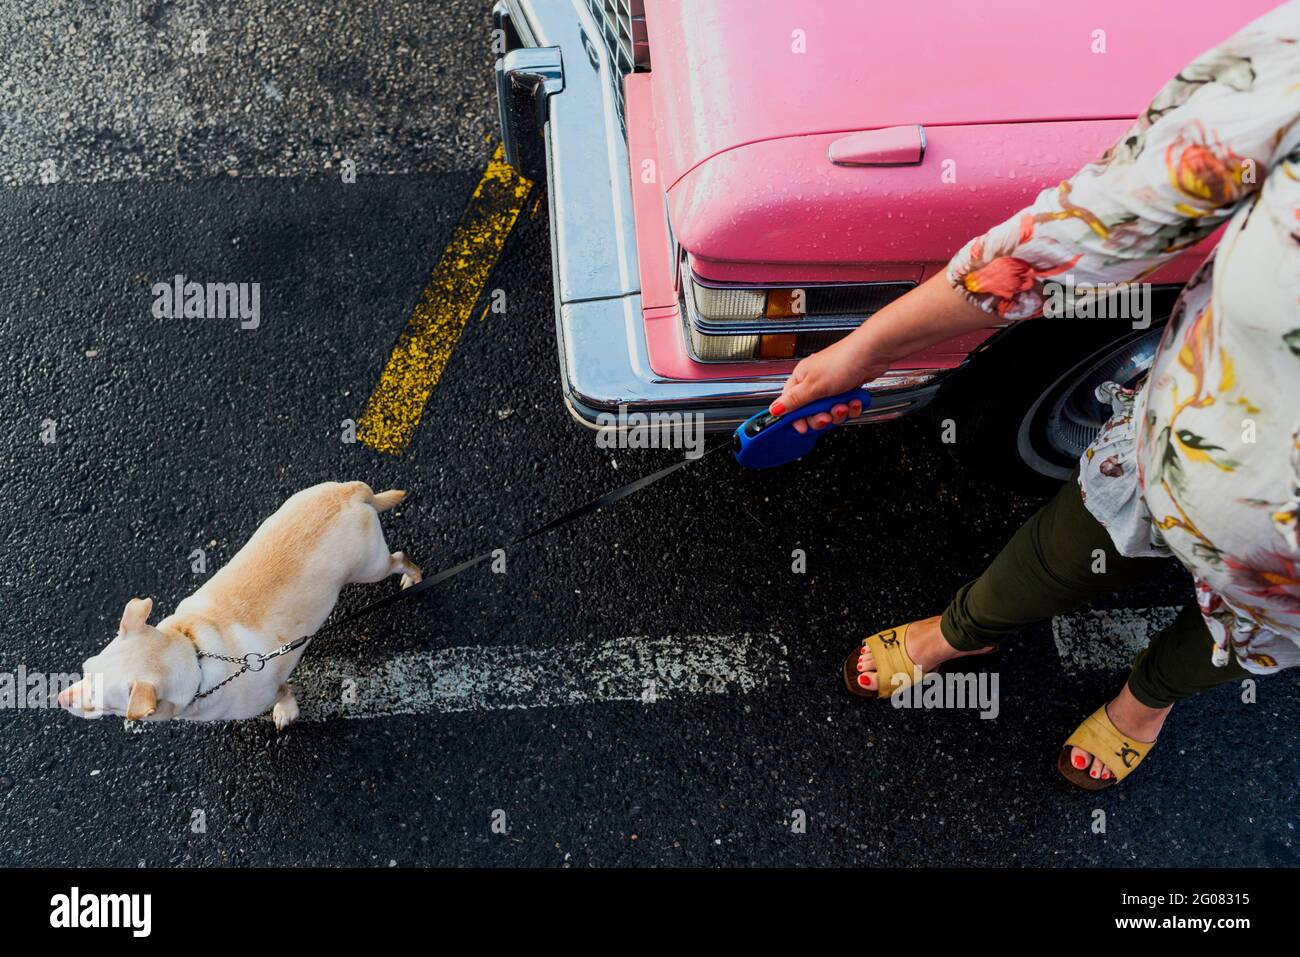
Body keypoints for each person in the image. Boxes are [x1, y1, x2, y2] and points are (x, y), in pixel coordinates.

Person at [770, 1, 1300, 789]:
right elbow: (1091, 226)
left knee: (1250, 639)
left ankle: (1146, 699)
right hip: (1178, 451)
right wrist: (869, 347)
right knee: (1065, 548)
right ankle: (964, 630)